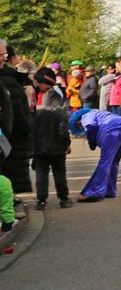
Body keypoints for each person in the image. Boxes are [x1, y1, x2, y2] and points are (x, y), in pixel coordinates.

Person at [68, 108, 121, 202]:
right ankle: (110, 189)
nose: (81, 127)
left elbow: (90, 126)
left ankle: (94, 191)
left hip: (113, 130)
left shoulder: (86, 116)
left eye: (79, 125)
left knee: (105, 162)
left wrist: (91, 142)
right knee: (114, 161)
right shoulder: (101, 114)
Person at [30, 70, 72, 210]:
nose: (36, 84)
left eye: (39, 82)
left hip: (40, 145)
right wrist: (66, 143)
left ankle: (41, 200)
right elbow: (63, 127)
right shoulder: (59, 101)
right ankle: (63, 199)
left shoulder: (36, 100)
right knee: (58, 173)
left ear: (45, 83)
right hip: (55, 146)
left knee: (42, 174)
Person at [0, 40, 32, 196]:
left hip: (9, 137)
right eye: (2, 55)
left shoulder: (8, 78)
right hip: (11, 137)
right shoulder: (9, 79)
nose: (3, 58)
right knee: (9, 174)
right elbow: (16, 113)